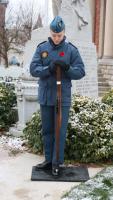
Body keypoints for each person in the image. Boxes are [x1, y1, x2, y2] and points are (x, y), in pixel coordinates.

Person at [30, 16, 85, 176]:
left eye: (59, 35)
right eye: (54, 35)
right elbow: (34, 69)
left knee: (59, 131)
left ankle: (56, 162)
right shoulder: (42, 48)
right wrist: (49, 68)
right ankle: (48, 160)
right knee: (47, 130)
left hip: (63, 98)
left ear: (63, 33)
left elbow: (80, 71)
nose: (56, 38)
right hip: (46, 96)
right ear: (50, 32)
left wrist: (67, 68)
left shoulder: (71, 50)